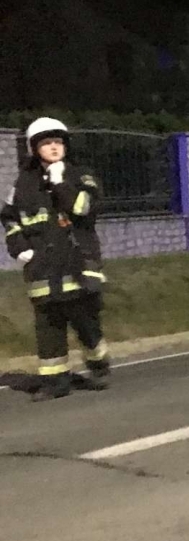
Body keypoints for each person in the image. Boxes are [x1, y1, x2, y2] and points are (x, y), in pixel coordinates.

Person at [2, 118, 110, 400]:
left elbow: (84, 209)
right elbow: (10, 216)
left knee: (85, 321)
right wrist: (18, 244)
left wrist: (61, 183)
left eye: (58, 142)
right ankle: (55, 382)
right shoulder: (24, 183)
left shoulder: (81, 175)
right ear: (34, 149)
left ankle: (98, 364)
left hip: (77, 264)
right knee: (48, 326)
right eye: (46, 143)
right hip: (41, 268)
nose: (53, 147)